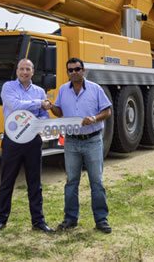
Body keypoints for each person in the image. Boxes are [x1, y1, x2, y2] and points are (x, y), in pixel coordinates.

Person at [0, 58, 55, 234]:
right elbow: (16, 106)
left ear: (33, 72)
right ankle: (1, 220)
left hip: (33, 140)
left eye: (28, 69)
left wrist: (39, 118)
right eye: (21, 69)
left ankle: (38, 222)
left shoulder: (40, 91)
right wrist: (38, 103)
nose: (24, 72)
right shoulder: (8, 87)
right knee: (7, 181)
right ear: (17, 71)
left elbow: (44, 116)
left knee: (35, 183)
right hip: (12, 140)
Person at [49, 57, 113, 234]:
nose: (74, 72)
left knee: (97, 182)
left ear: (83, 70)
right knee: (71, 182)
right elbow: (59, 112)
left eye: (77, 69)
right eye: (71, 70)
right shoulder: (63, 90)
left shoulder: (95, 89)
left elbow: (107, 111)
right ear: (67, 72)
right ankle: (70, 219)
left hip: (92, 140)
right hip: (71, 142)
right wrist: (50, 107)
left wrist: (94, 118)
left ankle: (101, 220)